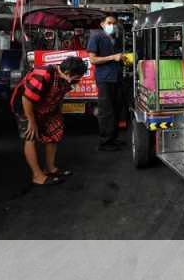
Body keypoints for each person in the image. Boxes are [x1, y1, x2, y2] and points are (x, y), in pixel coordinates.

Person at [10, 56, 87, 186]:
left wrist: (58, 113)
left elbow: (59, 96)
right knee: (31, 136)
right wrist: (32, 121)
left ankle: (50, 168)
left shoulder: (66, 79)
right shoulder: (44, 74)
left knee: (55, 132)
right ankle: (37, 175)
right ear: (68, 73)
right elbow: (27, 98)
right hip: (25, 107)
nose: (78, 80)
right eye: (77, 77)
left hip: (47, 107)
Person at [87, 15, 125, 151]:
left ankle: (113, 138)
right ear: (102, 24)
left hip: (116, 77)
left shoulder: (115, 37)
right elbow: (93, 60)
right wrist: (113, 57)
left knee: (116, 109)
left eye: (114, 24)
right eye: (109, 23)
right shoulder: (96, 37)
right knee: (106, 111)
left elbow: (117, 57)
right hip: (104, 79)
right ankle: (105, 143)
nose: (112, 26)